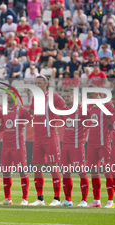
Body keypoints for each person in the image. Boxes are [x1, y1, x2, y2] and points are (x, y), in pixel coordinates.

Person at [28, 75, 67, 206]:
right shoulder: (34, 98)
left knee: (53, 166)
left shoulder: (54, 97)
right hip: (37, 138)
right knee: (37, 167)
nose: (37, 85)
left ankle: (57, 198)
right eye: (35, 83)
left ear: (46, 84)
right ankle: (40, 198)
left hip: (51, 136)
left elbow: (66, 109)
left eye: (40, 83)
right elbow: (30, 112)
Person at [0, 91, 32, 205]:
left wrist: (22, 125)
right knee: (6, 172)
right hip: (5, 146)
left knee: (22, 171)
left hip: (18, 146)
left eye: (11, 94)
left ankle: (25, 199)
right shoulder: (3, 110)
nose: (8, 96)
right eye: (7, 94)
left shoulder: (22, 110)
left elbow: (32, 119)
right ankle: (7, 198)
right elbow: (2, 126)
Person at [60, 88, 90, 207]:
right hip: (65, 145)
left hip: (77, 146)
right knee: (65, 172)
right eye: (65, 97)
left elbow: (91, 122)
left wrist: (83, 136)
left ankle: (84, 200)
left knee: (81, 172)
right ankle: (68, 200)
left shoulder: (83, 110)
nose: (66, 99)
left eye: (68, 97)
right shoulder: (64, 110)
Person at [86, 87, 115, 208]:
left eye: (91, 95)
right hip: (92, 143)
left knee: (106, 171)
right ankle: (96, 200)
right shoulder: (90, 107)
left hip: (104, 144)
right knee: (93, 171)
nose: (89, 97)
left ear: (97, 93)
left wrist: (111, 126)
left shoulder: (107, 104)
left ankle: (110, 200)